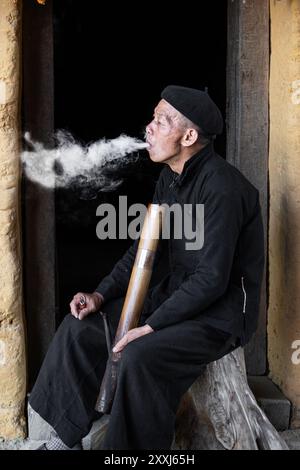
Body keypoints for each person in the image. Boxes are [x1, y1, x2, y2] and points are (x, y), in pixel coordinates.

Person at [29, 85, 265, 450]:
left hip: (219, 314)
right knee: (83, 327)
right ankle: (64, 439)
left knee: (141, 355)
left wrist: (152, 325)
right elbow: (143, 251)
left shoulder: (222, 188)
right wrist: (100, 293)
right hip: (178, 294)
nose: (149, 128)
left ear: (189, 136)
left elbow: (212, 279)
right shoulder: (170, 178)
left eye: (161, 121)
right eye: (153, 118)